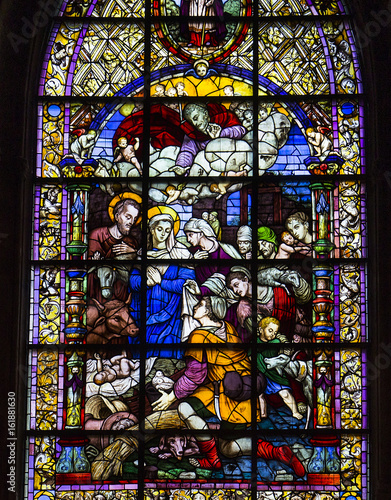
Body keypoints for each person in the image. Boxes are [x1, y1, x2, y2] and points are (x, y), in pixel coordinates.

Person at [152, 296, 305, 477]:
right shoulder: (228, 328)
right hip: (246, 394)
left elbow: (196, 375)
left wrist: (172, 396)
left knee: (185, 408)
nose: (195, 306)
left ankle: (211, 459)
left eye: (200, 304)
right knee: (228, 447)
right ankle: (276, 452)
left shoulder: (199, 336)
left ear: (209, 311)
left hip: (224, 393)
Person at [128, 207, 196, 356]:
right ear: (151, 230)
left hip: (172, 312)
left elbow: (186, 283)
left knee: (167, 347)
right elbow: (132, 282)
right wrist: (144, 282)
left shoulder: (180, 254)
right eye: (159, 229)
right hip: (144, 310)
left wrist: (161, 281)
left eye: (167, 230)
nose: (163, 234)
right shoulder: (142, 254)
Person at [170, 103, 246, 176]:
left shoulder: (223, 116)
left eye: (196, 118)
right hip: (211, 171)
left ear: (205, 113)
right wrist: (182, 166)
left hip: (234, 161)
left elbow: (241, 131)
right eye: (191, 122)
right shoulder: (193, 133)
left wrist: (221, 134)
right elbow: (187, 151)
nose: (194, 123)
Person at [257, 317, 303, 420]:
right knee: (259, 395)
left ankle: (295, 412)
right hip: (259, 373)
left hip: (274, 373)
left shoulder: (276, 342)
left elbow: (283, 352)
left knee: (285, 393)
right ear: (261, 329)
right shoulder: (254, 342)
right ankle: (262, 414)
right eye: (270, 330)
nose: (273, 334)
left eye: (275, 332)